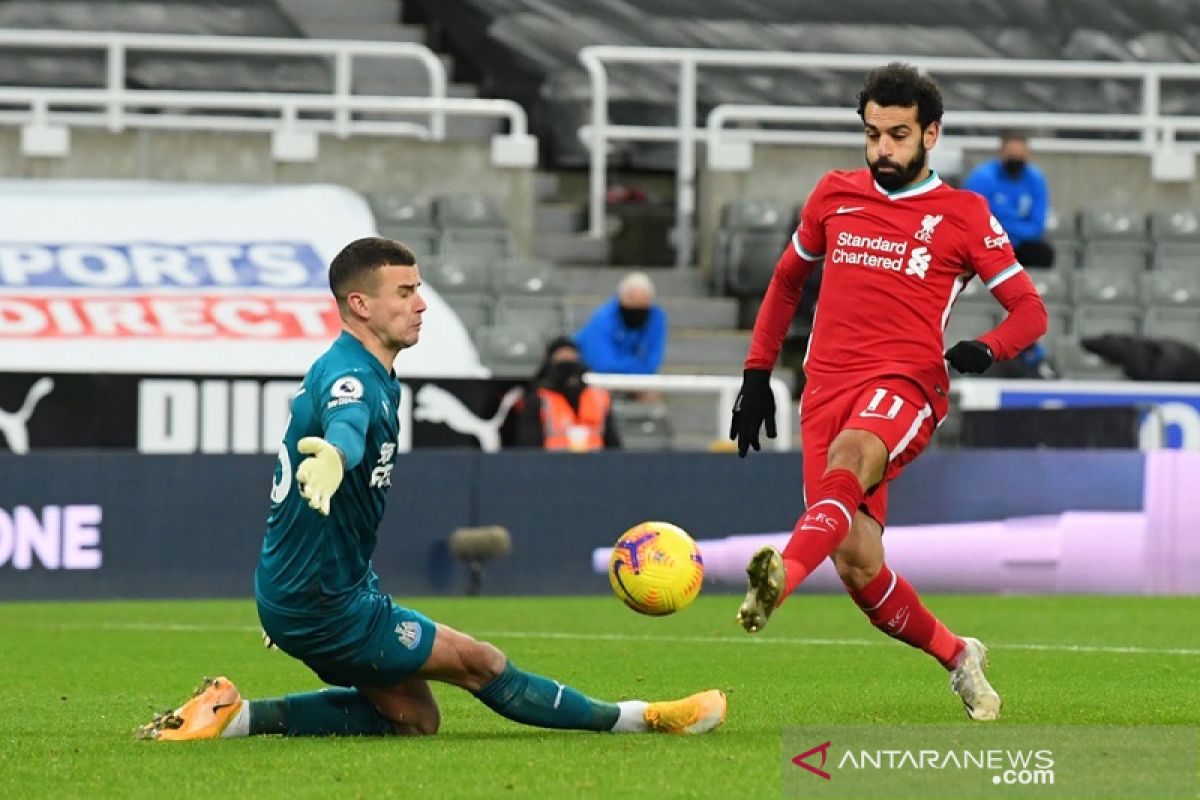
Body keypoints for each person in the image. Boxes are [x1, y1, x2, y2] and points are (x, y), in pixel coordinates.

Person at [137, 237, 724, 741]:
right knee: (480, 663)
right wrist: (338, 455)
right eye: (405, 293)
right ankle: (640, 719)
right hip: (322, 601)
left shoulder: (363, 367)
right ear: (360, 305)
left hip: (312, 584)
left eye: (419, 289)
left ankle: (231, 716)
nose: (421, 305)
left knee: (415, 719)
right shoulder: (353, 377)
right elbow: (349, 422)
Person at [728, 64, 1048, 722]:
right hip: (825, 388)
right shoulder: (833, 196)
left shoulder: (964, 214)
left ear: (930, 134)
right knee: (857, 563)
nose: (883, 150)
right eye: (872, 134)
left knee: (852, 458)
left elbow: (1028, 311)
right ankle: (959, 655)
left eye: (898, 135)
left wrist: (989, 347)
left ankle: (780, 577)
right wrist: (758, 374)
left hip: (906, 384)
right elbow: (787, 282)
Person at [510, 336, 621, 451]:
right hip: (553, 465)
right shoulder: (539, 398)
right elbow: (528, 444)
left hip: (597, 465)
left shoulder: (599, 397)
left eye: (571, 355)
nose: (567, 359)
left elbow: (612, 441)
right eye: (561, 355)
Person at [964, 132, 1055, 268]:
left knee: (1043, 254)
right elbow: (972, 220)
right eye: (1011, 155)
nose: (1016, 159)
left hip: (1021, 242)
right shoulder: (982, 178)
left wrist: (1005, 227)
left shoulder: (1035, 179)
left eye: (1020, 155)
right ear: (1001, 153)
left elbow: (1037, 226)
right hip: (990, 243)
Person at [575, 271, 668, 374]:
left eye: (642, 307)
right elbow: (602, 365)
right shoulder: (603, 318)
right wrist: (638, 363)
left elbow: (652, 362)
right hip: (590, 374)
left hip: (632, 378)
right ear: (620, 300)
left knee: (649, 389)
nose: (637, 313)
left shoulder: (655, 317)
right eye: (631, 306)